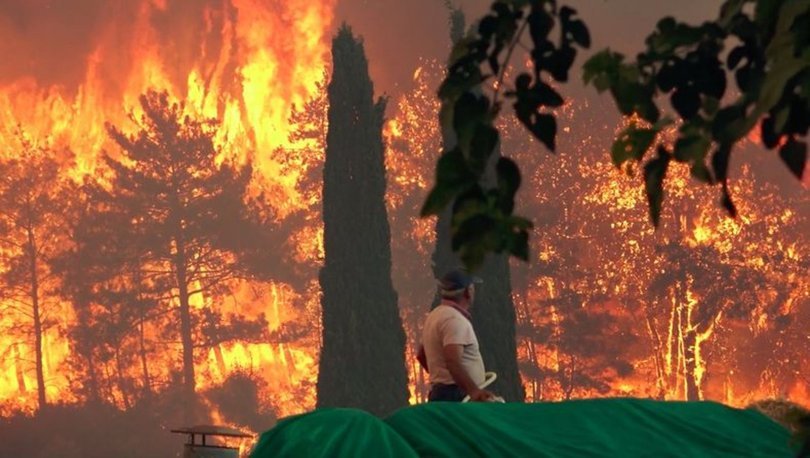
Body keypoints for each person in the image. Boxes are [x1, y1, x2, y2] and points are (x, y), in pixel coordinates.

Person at [417, 269, 496, 402]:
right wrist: (474, 392)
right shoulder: (455, 320)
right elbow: (452, 360)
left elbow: (421, 355)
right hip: (457, 395)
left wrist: (441, 379)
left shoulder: (434, 316)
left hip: (444, 392)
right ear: (468, 292)